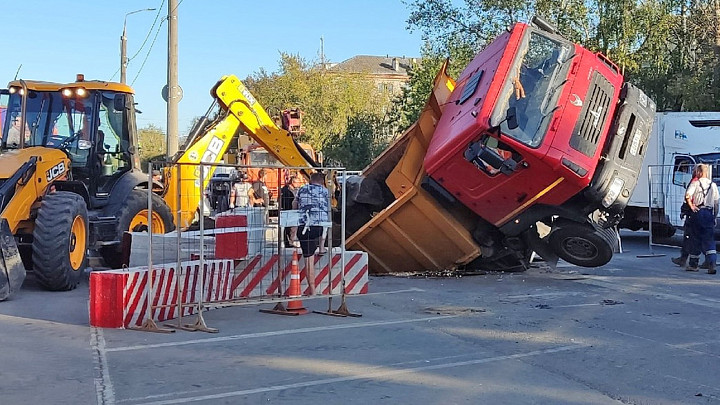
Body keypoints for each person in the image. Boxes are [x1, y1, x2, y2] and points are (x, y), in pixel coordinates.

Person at [293, 172, 330, 295]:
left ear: (310, 180)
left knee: (309, 259)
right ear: (322, 181)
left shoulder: (302, 189)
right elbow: (329, 208)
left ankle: (312, 290)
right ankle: (321, 246)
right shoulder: (325, 191)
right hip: (320, 226)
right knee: (324, 223)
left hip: (305, 227)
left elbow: (295, 204)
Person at [684, 163, 719, 273]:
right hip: (709, 213)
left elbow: (687, 195)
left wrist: (691, 206)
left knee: (695, 238)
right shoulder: (713, 185)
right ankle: (712, 263)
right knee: (709, 239)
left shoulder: (695, 183)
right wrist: (714, 216)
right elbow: (716, 203)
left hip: (698, 212)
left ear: (699, 172)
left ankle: (693, 265)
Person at [672, 165, 698, 267]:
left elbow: (687, 197)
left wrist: (684, 210)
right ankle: (710, 261)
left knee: (688, 237)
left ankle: (684, 259)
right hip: (700, 213)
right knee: (701, 238)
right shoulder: (707, 183)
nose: (691, 171)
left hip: (692, 213)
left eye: (693, 170)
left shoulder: (694, 182)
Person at [280, 175, 302, 247]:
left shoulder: (295, 190)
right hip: (287, 210)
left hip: (293, 211)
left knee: (293, 227)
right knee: (288, 227)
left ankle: (291, 241)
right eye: (298, 183)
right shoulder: (286, 190)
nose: (299, 184)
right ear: (293, 182)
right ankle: (288, 242)